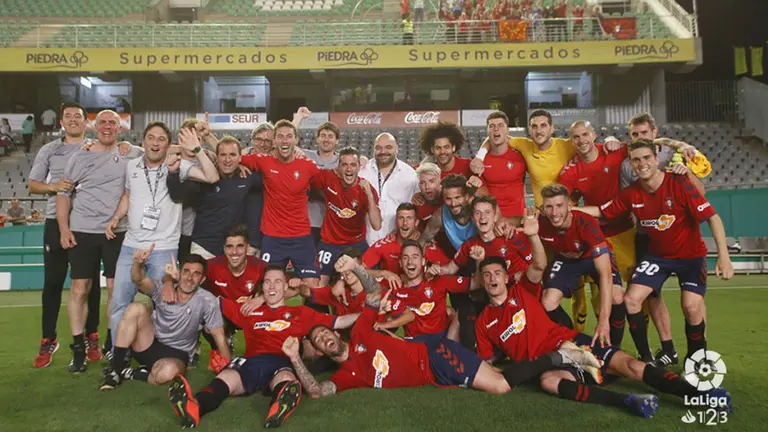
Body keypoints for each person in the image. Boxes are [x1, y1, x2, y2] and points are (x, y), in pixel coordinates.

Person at [279, 253, 600, 398]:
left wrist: (356, 266)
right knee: (500, 379)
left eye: (324, 332)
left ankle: (561, 358)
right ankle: (561, 360)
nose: (324, 338)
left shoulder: (362, 330)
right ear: (320, 349)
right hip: (435, 372)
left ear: (336, 333)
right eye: (319, 340)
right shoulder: (344, 376)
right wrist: (294, 358)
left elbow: (374, 292)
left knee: (501, 387)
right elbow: (319, 391)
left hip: (434, 355)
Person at [475, 253, 732, 417]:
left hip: (572, 344)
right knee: (549, 383)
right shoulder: (484, 322)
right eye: (486, 275)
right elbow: (489, 361)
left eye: (497, 273)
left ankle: (700, 394)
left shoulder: (523, 292)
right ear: (482, 281)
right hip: (548, 363)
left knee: (631, 366)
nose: (492, 278)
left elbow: (539, 264)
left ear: (507, 277)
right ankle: (628, 401)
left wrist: (531, 235)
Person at [580, 139, 734, 363]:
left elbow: (713, 217)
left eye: (646, 158)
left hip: (690, 256)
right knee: (631, 300)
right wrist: (568, 209)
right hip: (659, 257)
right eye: (636, 160)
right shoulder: (632, 193)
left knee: (691, 307)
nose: (642, 164)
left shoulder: (679, 183)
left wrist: (724, 257)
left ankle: (696, 360)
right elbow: (602, 212)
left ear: (655, 159)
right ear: (631, 164)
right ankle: (647, 358)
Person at [167, 265, 359, 429]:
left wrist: (368, 314)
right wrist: (182, 281)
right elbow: (213, 300)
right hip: (250, 361)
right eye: (267, 282)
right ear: (262, 287)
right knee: (225, 378)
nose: (271, 287)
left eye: (277, 282)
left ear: (285, 287)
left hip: (280, 359)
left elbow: (340, 321)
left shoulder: (300, 312)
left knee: (285, 377)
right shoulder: (249, 310)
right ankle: (194, 407)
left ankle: (279, 406)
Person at [107, 123, 220, 362]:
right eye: (151, 138)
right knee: (119, 303)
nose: (155, 143)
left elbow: (212, 176)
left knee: (166, 305)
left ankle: (161, 354)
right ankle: (120, 356)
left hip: (164, 247)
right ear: (144, 140)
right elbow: (128, 195)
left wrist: (197, 149)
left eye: (161, 139)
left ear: (168, 146)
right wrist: (116, 217)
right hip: (131, 245)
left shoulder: (178, 165)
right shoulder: (131, 166)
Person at [613, 112, 708, 365]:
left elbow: (701, 193)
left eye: (644, 133)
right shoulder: (627, 164)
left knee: (692, 303)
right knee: (652, 295)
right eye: (634, 134)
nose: (639, 138)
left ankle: (699, 353)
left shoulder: (675, 154)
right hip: (647, 237)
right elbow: (626, 202)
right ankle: (668, 349)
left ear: (655, 133)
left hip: (682, 234)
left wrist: (685, 169)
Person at [56, 110, 144, 373]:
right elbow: (63, 193)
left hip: (117, 232)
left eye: (112, 123)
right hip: (83, 229)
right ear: (94, 126)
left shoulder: (131, 152)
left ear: (120, 128)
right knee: (80, 288)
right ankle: (79, 348)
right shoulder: (79, 155)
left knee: (117, 292)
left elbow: (161, 147)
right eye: (103, 122)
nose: (107, 127)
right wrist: (63, 228)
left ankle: (113, 343)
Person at [28, 103, 103, 368]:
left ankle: (91, 336)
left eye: (78, 116)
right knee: (53, 283)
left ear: (86, 122)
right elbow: (32, 184)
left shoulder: (96, 147)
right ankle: (48, 339)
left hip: (86, 223)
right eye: (68, 116)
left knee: (89, 284)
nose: (73, 120)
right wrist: (54, 186)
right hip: (53, 221)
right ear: (61, 122)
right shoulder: (49, 150)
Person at [100, 251, 231, 390]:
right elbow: (139, 280)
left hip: (178, 353)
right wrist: (138, 264)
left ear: (202, 280)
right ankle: (115, 369)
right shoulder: (163, 289)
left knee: (167, 374)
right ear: (179, 274)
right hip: (149, 344)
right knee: (135, 308)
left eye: (196, 274)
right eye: (186, 271)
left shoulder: (207, 300)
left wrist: (228, 370)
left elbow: (219, 336)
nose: (189, 278)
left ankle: (134, 373)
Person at [534, 184, 626, 348]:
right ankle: (573, 342)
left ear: (569, 206)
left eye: (559, 206)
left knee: (616, 297)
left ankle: (613, 348)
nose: (554, 213)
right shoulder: (538, 222)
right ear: (542, 208)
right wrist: (504, 225)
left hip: (593, 257)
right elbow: (516, 221)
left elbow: (604, 272)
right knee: (548, 301)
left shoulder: (586, 223)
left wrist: (604, 320)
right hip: (567, 259)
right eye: (549, 207)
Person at [239, 120, 322, 286]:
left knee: (312, 285)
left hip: (301, 236)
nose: (285, 140)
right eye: (280, 137)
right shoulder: (264, 161)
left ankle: (304, 309)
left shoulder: (308, 166)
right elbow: (228, 156)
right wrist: (239, 165)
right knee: (269, 285)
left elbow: (328, 184)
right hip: (272, 237)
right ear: (274, 141)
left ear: (296, 140)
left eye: (289, 136)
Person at [168, 135, 260, 259]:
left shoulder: (247, 177)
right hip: (204, 247)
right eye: (223, 155)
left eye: (232, 155)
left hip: (233, 248)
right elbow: (177, 196)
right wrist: (173, 174)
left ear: (240, 158)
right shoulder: (203, 178)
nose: (227, 159)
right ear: (216, 157)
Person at [201, 224, 268, 368]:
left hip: (250, 313)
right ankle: (221, 348)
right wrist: (170, 279)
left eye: (239, 246)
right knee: (207, 322)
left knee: (272, 312)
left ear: (247, 248)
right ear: (224, 248)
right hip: (224, 314)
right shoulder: (212, 265)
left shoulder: (260, 266)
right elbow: (187, 277)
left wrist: (261, 298)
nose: (234, 252)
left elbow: (287, 289)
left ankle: (263, 353)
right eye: (230, 247)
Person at [313, 146, 382, 286]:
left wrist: (369, 195)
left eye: (353, 165)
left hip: (356, 243)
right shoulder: (328, 178)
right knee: (318, 284)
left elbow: (377, 225)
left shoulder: (367, 189)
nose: (349, 169)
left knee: (372, 282)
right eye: (344, 165)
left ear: (358, 168)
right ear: (338, 167)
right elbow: (305, 175)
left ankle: (364, 308)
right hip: (329, 243)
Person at [428, 196, 532, 280]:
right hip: (494, 295)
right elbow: (450, 268)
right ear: (472, 219)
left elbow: (536, 265)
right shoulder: (469, 245)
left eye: (487, 212)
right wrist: (436, 270)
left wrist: (525, 276)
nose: (482, 217)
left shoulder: (511, 234)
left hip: (522, 290)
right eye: (478, 213)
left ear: (495, 216)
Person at [362, 203, 450, 286]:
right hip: (391, 295)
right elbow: (359, 269)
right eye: (401, 218)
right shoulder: (385, 244)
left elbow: (449, 269)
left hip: (420, 297)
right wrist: (383, 273)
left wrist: (432, 273)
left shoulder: (428, 246)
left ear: (416, 223)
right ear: (396, 221)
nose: (405, 223)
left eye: (409, 218)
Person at [359, 133, 419, 245]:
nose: (383, 152)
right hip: (364, 241)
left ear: (397, 148)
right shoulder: (362, 170)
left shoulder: (410, 174)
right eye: (378, 148)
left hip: (396, 243)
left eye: (388, 147)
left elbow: (415, 210)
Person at [474, 111, 527, 221]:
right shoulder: (480, 161)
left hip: (518, 219)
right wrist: (498, 218)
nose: (496, 129)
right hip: (493, 220)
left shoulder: (521, 155)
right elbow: (481, 191)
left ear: (507, 130)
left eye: (500, 126)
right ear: (487, 131)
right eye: (491, 126)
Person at [304, 121, 341, 247]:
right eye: (323, 135)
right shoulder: (306, 156)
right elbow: (284, 143)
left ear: (337, 141)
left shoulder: (342, 161)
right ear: (317, 139)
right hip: (309, 222)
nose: (326, 139)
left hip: (333, 224)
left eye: (330, 136)